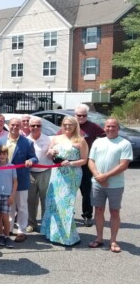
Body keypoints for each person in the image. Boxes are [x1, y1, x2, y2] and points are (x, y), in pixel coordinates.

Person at [87, 118, 133, 253]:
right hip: (97, 183)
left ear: (118, 128)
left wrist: (105, 176)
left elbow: (124, 165)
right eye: (108, 126)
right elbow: (91, 160)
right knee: (99, 210)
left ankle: (113, 240)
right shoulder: (98, 141)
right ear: (104, 128)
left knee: (114, 211)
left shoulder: (124, 144)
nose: (110, 129)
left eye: (113, 126)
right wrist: (97, 176)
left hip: (115, 185)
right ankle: (99, 238)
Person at [41, 117, 88, 246]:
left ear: (75, 126)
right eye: (65, 125)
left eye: (70, 125)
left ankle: (68, 237)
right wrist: (50, 152)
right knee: (53, 202)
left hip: (72, 175)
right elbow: (49, 155)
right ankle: (53, 234)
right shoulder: (56, 138)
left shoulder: (81, 140)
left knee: (66, 204)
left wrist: (71, 163)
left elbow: (84, 160)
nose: (67, 127)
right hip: (57, 174)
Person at [73, 104, 106, 227]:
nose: (81, 117)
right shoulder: (70, 125)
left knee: (86, 192)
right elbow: (59, 137)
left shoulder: (92, 127)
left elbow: (105, 137)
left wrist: (97, 151)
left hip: (86, 164)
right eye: (78, 115)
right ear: (74, 115)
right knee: (70, 192)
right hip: (70, 164)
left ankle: (87, 216)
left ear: (87, 115)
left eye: (84, 115)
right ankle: (69, 215)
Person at [6, 118, 38, 243]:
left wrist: (31, 161)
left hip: (21, 179)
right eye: (12, 125)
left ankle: (21, 231)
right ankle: (8, 228)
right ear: (9, 126)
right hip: (5, 179)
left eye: (17, 125)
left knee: (22, 206)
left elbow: (34, 158)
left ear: (20, 127)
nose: (14, 127)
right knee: (9, 206)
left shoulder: (27, 142)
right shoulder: (2, 140)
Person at [26, 117, 52, 232]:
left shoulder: (48, 140)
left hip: (45, 173)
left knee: (45, 199)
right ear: (29, 126)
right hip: (30, 173)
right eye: (33, 125)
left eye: (38, 125)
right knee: (31, 200)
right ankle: (32, 223)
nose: (35, 128)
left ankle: (46, 224)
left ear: (41, 127)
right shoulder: (26, 140)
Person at [0, 146, 17, 248]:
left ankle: (7, 236)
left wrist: (12, 195)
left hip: (7, 195)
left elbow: (15, 182)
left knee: (5, 217)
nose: (2, 156)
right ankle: (1, 235)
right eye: (0, 154)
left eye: (4, 154)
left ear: (7, 155)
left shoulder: (12, 166)